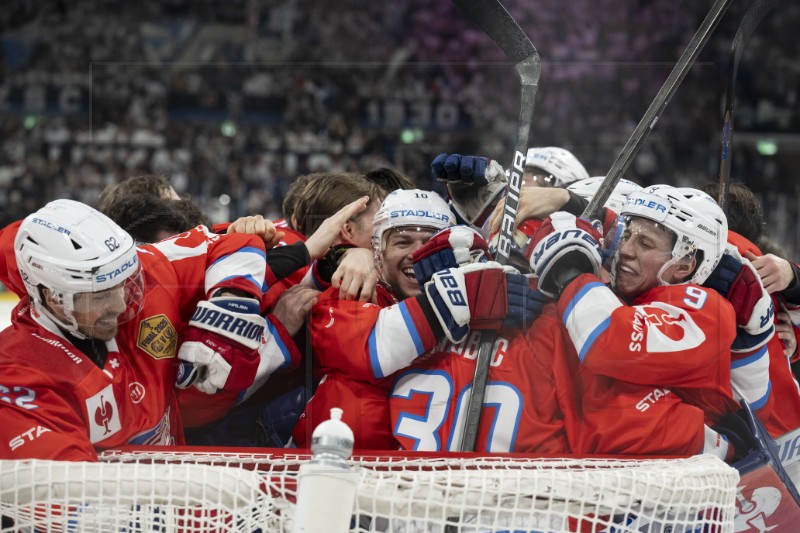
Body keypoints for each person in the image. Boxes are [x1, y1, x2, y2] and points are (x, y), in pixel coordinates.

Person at [0, 199, 271, 460]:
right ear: (51, 297)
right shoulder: (18, 374)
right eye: (100, 295)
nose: (119, 304)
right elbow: (70, 493)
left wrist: (229, 311)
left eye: (123, 284)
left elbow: (237, 243)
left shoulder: (142, 271)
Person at [293, 189, 539, 450]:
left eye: (430, 242)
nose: (417, 253)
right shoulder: (349, 293)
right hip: (330, 473)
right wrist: (461, 296)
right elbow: (376, 347)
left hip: (437, 481)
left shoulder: (480, 312)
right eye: (402, 242)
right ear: (378, 252)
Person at [529, 185, 747, 459]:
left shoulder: (707, 308)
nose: (626, 250)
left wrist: (570, 272)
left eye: (645, 244)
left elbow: (606, 339)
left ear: (685, 264)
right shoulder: (618, 296)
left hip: (690, 483)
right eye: (626, 235)